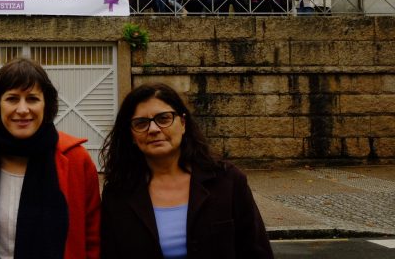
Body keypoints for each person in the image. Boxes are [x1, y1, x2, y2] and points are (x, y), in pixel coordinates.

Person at [100, 82, 273, 259]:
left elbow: (257, 252)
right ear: (131, 135)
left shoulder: (228, 181)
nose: (153, 129)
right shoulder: (118, 192)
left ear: (183, 123)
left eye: (164, 118)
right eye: (141, 123)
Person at [0, 58, 100, 259]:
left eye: (32, 98)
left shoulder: (77, 159)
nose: (23, 109)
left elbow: (93, 239)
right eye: (12, 98)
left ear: (46, 104)